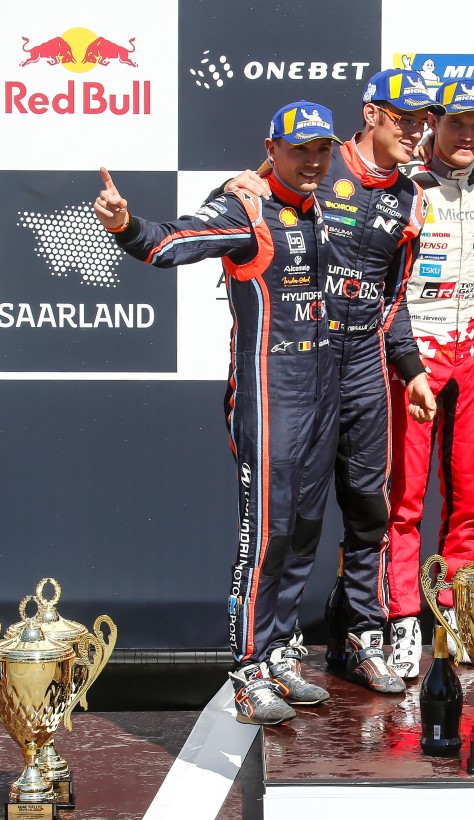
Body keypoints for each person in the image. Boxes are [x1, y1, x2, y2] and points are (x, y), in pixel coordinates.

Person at [94, 101, 341, 725]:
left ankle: (280, 652)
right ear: (272, 149)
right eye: (300, 149)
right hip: (270, 391)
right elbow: (170, 243)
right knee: (266, 536)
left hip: (321, 388)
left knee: (304, 531)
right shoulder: (245, 207)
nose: (314, 161)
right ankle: (247, 670)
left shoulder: (320, 206)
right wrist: (126, 226)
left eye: (322, 149)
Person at [225, 69, 441, 694]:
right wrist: (235, 184)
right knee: (296, 514)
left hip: (366, 365)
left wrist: (411, 369)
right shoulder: (319, 164)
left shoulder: (411, 197)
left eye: (423, 120)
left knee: (370, 507)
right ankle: (280, 647)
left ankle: (362, 635)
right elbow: (253, 197)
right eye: (404, 118)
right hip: (305, 362)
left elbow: (394, 298)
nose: (416, 131)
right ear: (371, 114)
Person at [385, 79, 474, 677]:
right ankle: (402, 617)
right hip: (417, 357)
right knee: (405, 497)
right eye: (456, 122)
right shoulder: (404, 185)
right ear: (434, 124)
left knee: (470, 498)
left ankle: (451, 609)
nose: (467, 134)